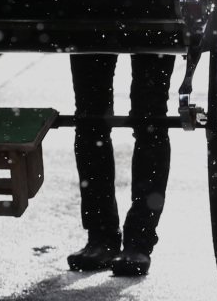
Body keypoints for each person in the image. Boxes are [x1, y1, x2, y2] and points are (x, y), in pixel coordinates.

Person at [66, 53, 174, 277]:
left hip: (152, 21)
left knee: (149, 115)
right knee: (90, 116)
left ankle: (138, 238)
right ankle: (101, 234)